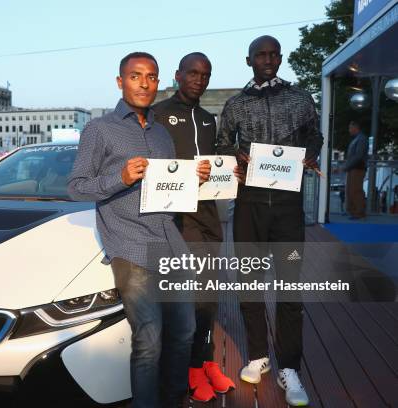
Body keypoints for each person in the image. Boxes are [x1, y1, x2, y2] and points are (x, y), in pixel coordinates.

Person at [68, 51, 211, 408]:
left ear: (158, 82)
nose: (144, 83)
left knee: (185, 333)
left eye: (151, 77)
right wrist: (120, 177)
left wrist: (195, 181)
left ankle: (175, 399)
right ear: (120, 82)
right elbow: (76, 187)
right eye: (135, 76)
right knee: (149, 340)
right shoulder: (99, 130)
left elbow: (169, 191)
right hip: (130, 246)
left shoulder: (162, 134)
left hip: (170, 244)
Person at [217, 35, 323, 406]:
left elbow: (315, 135)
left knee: (289, 289)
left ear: (280, 58)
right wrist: (238, 160)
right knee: (249, 284)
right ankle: (258, 356)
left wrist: (310, 154)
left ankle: (289, 368)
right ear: (249, 61)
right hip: (248, 207)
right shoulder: (235, 104)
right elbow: (221, 143)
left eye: (272, 54)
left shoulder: (300, 98)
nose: (267, 59)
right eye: (260, 55)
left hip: (288, 208)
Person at [153, 52, 236, 403]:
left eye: (205, 74)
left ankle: (203, 363)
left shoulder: (207, 118)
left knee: (209, 293)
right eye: (193, 73)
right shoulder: (157, 114)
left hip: (208, 216)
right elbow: (155, 168)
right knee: (191, 297)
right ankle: (189, 368)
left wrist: (230, 169)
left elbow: (214, 165)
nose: (199, 80)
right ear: (178, 75)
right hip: (177, 217)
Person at [342, 120, 368, 219]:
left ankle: (359, 213)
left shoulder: (361, 139)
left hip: (357, 168)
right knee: (350, 190)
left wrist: (346, 167)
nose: (349, 130)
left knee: (355, 191)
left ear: (355, 128)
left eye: (350, 128)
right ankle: (353, 211)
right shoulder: (358, 139)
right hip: (353, 168)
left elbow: (358, 156)